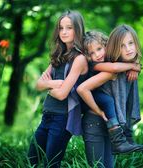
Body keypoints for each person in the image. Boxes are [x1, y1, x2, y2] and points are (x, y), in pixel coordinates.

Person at [77, 26, 143, 167]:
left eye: (99, 49)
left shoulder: (117, 64)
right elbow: (83, 88)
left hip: (107, 125)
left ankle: (123, 137)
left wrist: (136, 66)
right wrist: (134, 65)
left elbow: (119, 65)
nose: (97, 55)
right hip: (94, 122)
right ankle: (121, 139)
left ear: (106, 46)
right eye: (92, 53)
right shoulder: (99, 66)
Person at [28, 10, 88, 168]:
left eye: (69, 27)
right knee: (31, 160)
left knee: (51, 164)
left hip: (62, 119)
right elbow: (37, 84)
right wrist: (55, 83)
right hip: (46, 116)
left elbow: (62, 95)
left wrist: (47, 85)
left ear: (78, 29)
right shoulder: (59, 55)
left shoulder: (79, 58)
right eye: (61, 28)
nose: (64, 32)